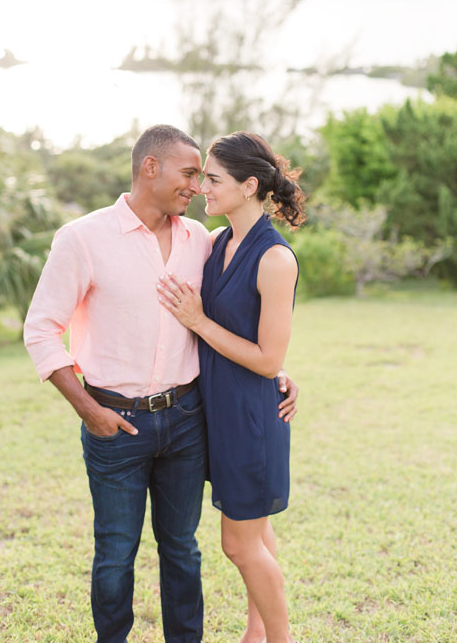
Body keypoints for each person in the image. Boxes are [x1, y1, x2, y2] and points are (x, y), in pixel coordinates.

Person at [23, 124, 298, 643]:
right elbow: (40, 330)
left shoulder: (202, 240)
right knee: (115, 553)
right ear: (151, 168)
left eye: (206, 177)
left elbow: (242, 318)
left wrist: (275, 371)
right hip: (114, 423)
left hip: (189, 420)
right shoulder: (83, 238)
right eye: (191, 174)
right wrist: (87, 408)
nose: (197, 187)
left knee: (183, 550)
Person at [157, 131, 305, 643]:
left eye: (213, 179)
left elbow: (268, 359)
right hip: (216, 411)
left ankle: (280, 639)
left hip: (250, 420)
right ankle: (255, 632)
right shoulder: (218, 243)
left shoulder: (275, 259)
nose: (202, 189)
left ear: (248, 186)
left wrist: (197, 321)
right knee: (257, 532)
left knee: (239, 545)